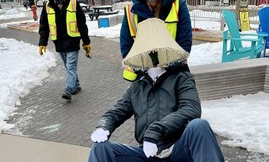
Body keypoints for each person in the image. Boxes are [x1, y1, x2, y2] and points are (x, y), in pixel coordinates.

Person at [88, 19, 224, 162]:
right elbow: (115, 112)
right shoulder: (136, 88)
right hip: (147, 155)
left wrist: (156, 130)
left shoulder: (181, 79)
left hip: (177, 150)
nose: (152, 55)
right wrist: (104, 126)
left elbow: (191, 109)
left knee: (199, 126)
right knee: (100, 148)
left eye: (155, 51)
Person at [120, 0, 192, 82]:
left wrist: (166, 69)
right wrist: (144, 70)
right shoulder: (131, 11)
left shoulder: (178, 6)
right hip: (142, 78)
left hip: (173, 76)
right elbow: (127, 48)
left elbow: (184, 44)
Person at [38, 0, 91, 101]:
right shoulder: (47, 6)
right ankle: (76, 85)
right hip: (59, 42)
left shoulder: (73, 3)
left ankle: (68, 90)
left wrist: (86, 42)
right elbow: (44, 26)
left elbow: (82, 24)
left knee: (71, 66)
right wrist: (42, 42)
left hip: (72, 40)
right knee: (68, 67)